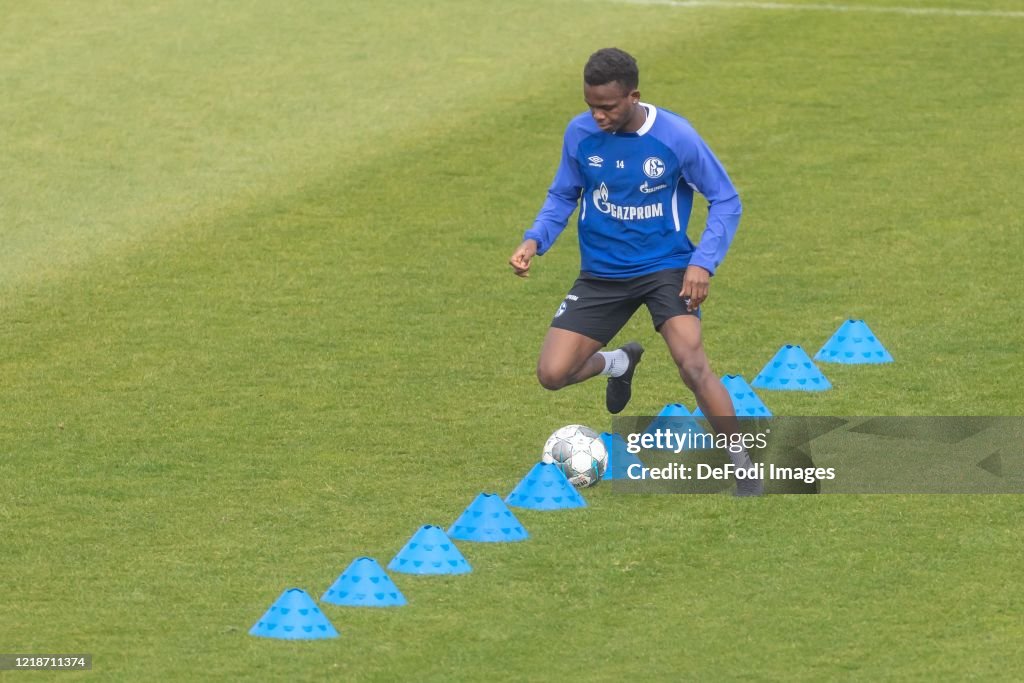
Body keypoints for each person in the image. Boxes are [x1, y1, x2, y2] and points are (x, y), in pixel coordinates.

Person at [508, 47, 761, 496]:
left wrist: (701, 262)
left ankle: (744, 466)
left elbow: (726, 199)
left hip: (665, 268)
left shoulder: (675, 137)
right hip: (602, 274)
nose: (598, 116)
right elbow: (564, 194)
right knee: (552, 374)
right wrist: (535, 240)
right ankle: (618, 362)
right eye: (591, 106)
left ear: (633, 96)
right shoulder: (579, 134)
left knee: (692, 362)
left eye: (607, 107)